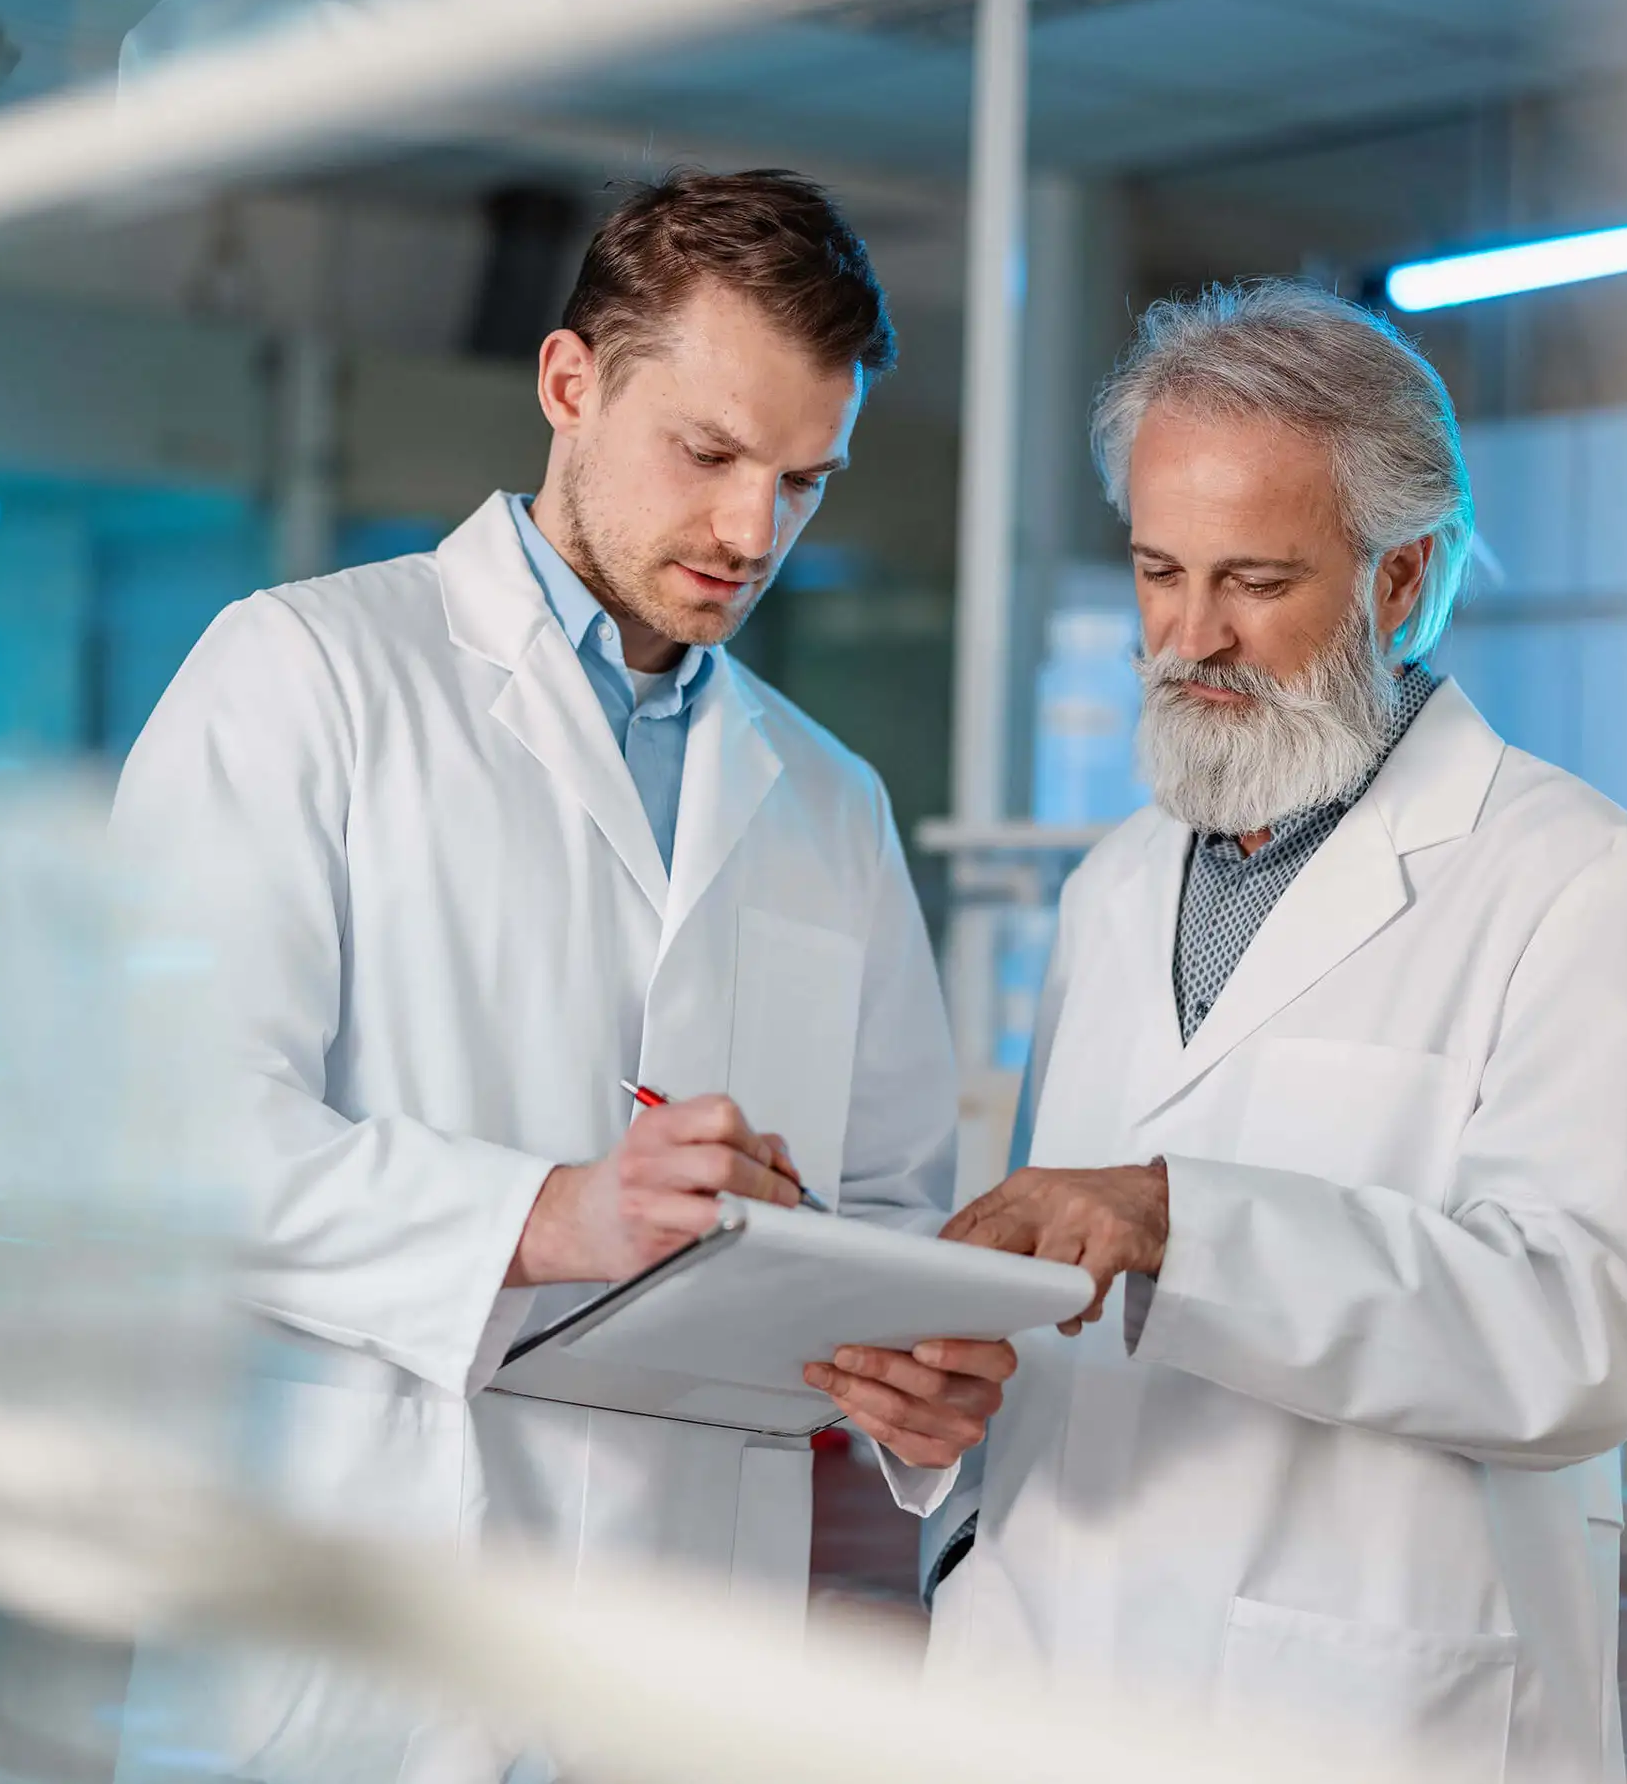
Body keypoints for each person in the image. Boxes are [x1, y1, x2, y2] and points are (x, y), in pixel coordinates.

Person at [110, 168, 1015, 1783]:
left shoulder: (828, 804)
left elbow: (881, 1215)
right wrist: (544, 1217)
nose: (755, 532)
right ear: (570, 383)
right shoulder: (305, 675)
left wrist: (911, 1388)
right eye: (713, 454)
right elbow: (159, 1135)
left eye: (805, 480)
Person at [922, 279, 1627, 1784]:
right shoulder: (1111, 891)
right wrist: (938, 1393)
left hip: (1354, 1708)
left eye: (1256, 581)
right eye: (1158, 569)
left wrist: (1179, 1221)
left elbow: (1583, 1336)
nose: (1189, 633)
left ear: (1397, 579)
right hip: (1043, 1678)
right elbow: (1052, 1300)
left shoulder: (1569, 879)